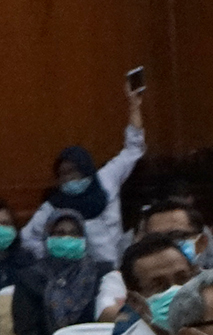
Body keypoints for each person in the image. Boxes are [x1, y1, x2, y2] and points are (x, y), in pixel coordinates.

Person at [22, 83, 145, 265]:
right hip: (77, 274)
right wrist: (52, 256)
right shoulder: (54, 206)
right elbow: (27, 238)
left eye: (74, 171)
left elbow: (133, 149)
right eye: (63, 174)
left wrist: (134, 106)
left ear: (86, 168)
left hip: (118, 266)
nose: (69, 178)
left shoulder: (106, 179)